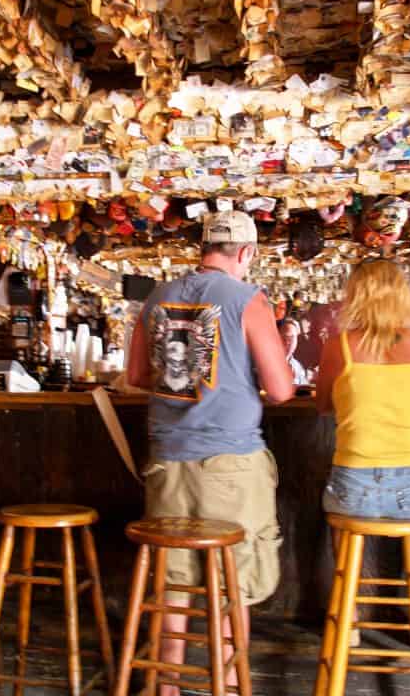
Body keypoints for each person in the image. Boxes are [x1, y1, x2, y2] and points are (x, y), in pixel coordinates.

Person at [127, 210, 295, 696]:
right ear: (245, 253)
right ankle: (225, 685)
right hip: (232, 465)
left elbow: (136, 375)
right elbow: (281, 390)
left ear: (203, 247)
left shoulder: (156, 298)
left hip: (167, 460)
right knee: (231, 583)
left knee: (173, 584)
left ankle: (166, 687)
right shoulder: (248, 300)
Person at [315, 260, 410, 585]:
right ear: (403, 295)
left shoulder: (339, 347)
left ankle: (348, 625)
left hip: (354, 483)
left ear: (355, 295)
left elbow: (322, 406)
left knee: (345, 528)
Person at [278, 317, 310, 385]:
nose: (288, 342)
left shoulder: (296, 365)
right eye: (285, 337)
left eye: (292, 337)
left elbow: (305, 389)